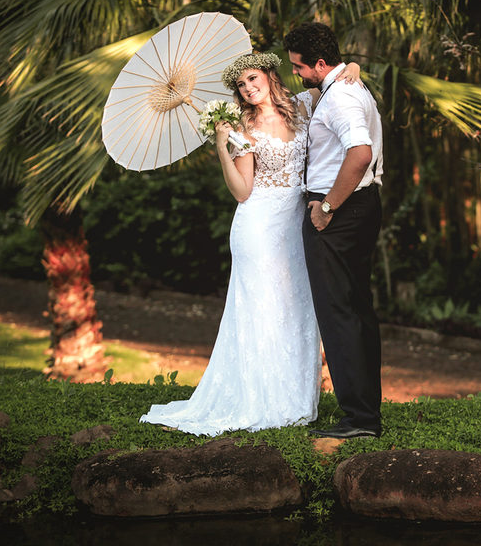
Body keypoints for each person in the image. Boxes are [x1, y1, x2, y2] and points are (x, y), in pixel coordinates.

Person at [139, 52, 360, 434]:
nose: (248, 88)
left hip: (296, 224)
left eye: (252, 79)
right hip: (257, 226)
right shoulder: (241, 126)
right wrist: (223, 148)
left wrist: (353, 68)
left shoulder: (301, 107)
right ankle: (261, 400)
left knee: (296, 307)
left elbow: (336, 80)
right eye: (241, 85)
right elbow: (242, 192)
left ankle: (294, 401)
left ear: (270, 76)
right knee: (262, 309)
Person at [284, 22, 384, 439]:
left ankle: (358, 419)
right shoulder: (341, 88)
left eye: (299, 67)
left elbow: (360, 155)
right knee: (356, 309)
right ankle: (364, 413)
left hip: (340, 212)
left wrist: (327, 207)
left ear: (319, 63)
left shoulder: (340, 95)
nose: (296, 74)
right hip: (359, 208)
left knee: (339, 311)